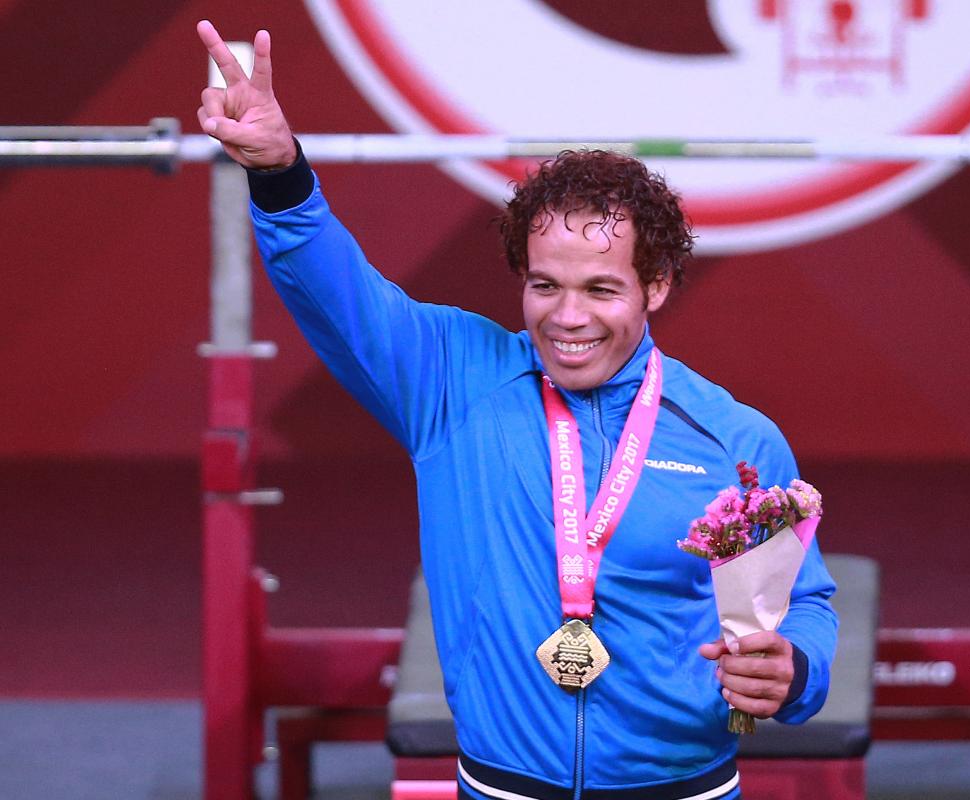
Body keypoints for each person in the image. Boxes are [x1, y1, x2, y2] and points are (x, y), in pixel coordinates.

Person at [196, 20, 837, 800]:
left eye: (601, 289)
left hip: (684, 788)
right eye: (544, 285)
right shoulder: (453, 383)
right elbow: (339, 295)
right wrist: (280, 175)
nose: (567, 318)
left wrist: (796, 669)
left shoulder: (731, 438)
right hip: (502, 786)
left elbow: (803, 599)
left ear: (656, 285)